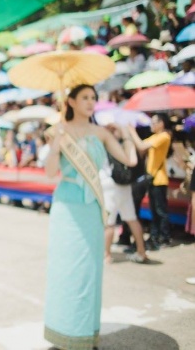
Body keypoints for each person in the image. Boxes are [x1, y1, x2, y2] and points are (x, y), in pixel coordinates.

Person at [43, 84, 136, 350]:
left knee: (89, 269)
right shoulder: (58, 131)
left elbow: (128, 161)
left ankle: (85, 334)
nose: (91, 102)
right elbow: (51, 173)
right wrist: (56, 146)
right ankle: (65, 332)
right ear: (70, 101)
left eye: (93, 98)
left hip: (92, 206)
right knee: (66, 269)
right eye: (84, 97)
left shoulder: (101, 133)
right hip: (67, 207)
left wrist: (126, 134)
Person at [100, 125, 148, 264]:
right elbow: (133, 161)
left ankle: (106, 255)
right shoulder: (126, 144)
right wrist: (126, 133)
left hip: (109, 186)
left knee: (109, 223)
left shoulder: (104, 144)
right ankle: (141, 251)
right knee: (131, 219)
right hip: (124, 186)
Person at [128, 114, 172, 250]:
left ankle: (164, 237)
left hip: (159, 179)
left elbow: (141, 145)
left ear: (161, 124)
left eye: (154, 122)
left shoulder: (164, 136)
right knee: (154, 210)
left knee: (160, 210)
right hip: (152, 178)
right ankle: (155, 236)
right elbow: (141, 147)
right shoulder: (155, 137)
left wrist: (131, 131)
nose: (151, 125)